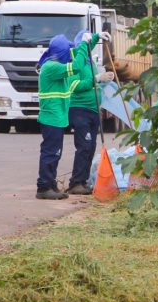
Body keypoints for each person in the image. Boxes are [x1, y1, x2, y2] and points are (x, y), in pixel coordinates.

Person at [35, 34, 95, 200]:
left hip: (58, 117)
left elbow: (77, 55)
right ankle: (44, 187)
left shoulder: (56, 65)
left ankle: (50, 184)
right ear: (62, 52)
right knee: (51, 152)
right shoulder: (52, 67)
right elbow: (76, 66)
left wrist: (92, 40)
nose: (70, 53)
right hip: (52, 117)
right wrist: (83, 43)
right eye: (67, 50)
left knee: (55, 153)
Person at [66, 29, 114, 195]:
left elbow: (89, 45)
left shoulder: (88, 60)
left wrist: (97, 36)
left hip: (93, 110)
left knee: (91, 146)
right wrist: (97, 79)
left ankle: (83, 180)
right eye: (86, 45)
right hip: (80, 109)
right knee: (84, 146)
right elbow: (75, 86)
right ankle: (76, 182)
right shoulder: (74, 62)